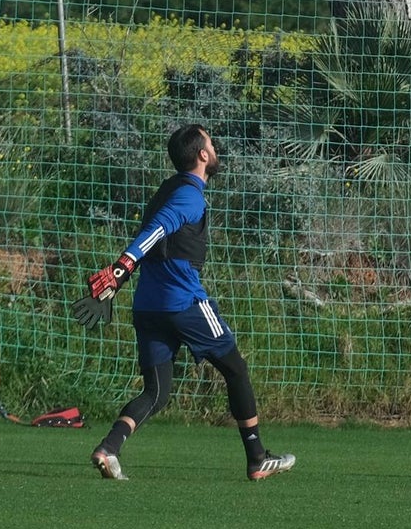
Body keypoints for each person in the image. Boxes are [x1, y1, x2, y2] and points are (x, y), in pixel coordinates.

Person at [77, 123, 295, 481]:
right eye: (211, 143)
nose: (215, 148)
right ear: (202, 155)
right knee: (236, 369)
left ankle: (108, 449)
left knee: (157, 392)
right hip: (184, 302)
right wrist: (122, 267)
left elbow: (156, 235)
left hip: (148, 307)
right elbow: (156, 231)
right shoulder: (189, 196)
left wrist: (125, 275)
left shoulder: (167, 189)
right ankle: (257, 458)